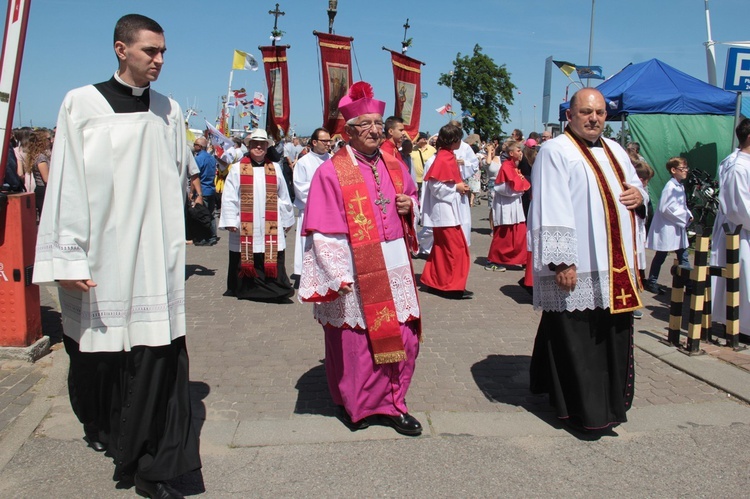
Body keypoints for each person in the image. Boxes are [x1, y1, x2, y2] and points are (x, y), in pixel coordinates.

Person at [32, 14, 201, 498]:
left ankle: (156, 462)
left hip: (154, 256)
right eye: (151, 51)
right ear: (120, 49)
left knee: (159, 354)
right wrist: (68, 260)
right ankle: (111, 433)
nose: (160, 60)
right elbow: (65, 184)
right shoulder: (81, 103)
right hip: (103, 254)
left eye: (164, 51)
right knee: (99, 358)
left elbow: (173, 177)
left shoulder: (169, 110)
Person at [299, 81, 423, 436]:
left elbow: (413, 198)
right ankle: (359, 405)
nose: (374, 130)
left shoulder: (394, 163)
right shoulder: (331, 170)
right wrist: (337, 273)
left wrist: (408, 206)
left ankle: (394, 403)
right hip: (356, 263)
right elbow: (322, 229)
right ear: (350, 131)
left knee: (403, 335)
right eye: (365, 124)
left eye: (378, 123)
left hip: (394, 260)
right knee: (356, 341)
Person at [528, 88, 646, 434]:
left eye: (599, 113)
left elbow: (637, 187)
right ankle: (584, 411)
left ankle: (610, 403)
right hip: (580, 264)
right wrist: (562, 261)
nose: (594, 119)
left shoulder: (616, 150)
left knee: (611, 336)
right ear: (570, 115)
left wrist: (640, 196)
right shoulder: (556, 150)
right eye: (586, 112)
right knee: (578, 338)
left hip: (615, 267)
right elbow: (551, 203)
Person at [219, 128, 295, 302]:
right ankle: (247, 289)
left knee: (270, 251)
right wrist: (231, 220)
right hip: (246, 222)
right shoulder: (237, 169)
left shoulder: (275, 168)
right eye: (255, 144)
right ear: (249, 146)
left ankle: (274, 288)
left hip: (271, 221)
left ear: (267, 148)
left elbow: (284, 196)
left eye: (262, 144)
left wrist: (287, 219)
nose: (259, 147)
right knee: (247, 253)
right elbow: (229, 197)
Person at [420, 123, 473, 299]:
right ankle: (450, 286)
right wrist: (456, 188)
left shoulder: (447, 155)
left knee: (442, 250)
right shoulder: (444, 158)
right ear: (454, 140)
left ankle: (433, 281)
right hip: (445, 213)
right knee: (455, 250)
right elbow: (436, 186)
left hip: (448, 211)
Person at [710, 118, 750, 341]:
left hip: (743, 230)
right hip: (741, 232)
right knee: (743, 280)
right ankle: (741, 328)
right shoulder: (737, 166)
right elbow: (739, 208)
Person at [644, 157, 693, 294]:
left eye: (686, 168)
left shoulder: (679, 186)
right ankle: (652, 281)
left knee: (683, 255)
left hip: (677, 227)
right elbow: (666, 208)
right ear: (673, 170)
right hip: (668, 228)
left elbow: (681, 205)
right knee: (662, 255)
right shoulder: (670, 187)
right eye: (683, 169)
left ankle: (689, 285)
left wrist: (687, 214)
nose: (686, 171)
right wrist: (685, 216)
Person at [292, 127, 331, 279]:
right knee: (309, 245)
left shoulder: (333, 159)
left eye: (329, 141)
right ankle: (308, 275)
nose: (328, 144)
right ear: (314, 142)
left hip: (330, 212)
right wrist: (325, 192)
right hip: (311, 210)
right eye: (325, 141)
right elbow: (301, 189)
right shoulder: (303, 163)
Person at [485, 140, 530, 272]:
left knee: (520, 233)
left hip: (515, 204)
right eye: (518, 150)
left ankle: (523, 260)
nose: (520, 152)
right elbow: (500, 187)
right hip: (506, 205)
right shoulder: (506, 167)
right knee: (504, 235)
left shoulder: (514, 167)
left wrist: (519, 190)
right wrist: (518, 191)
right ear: (511, 153)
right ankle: (493, 260)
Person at [192, 136, 218, 245]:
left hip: (202, 189)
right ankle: (212, 235)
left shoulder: (198, 159)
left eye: (195, 145)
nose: (194, 147)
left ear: (200, 146)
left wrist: (192, 192)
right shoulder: (211, 158)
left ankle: (205, 237)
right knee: (210, 214)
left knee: (202, 214)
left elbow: (195, 176)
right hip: (211, 188)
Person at [410, 131, 435, 199]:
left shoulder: (432, 150)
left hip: (427, 179)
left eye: (418, 138)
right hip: (415, 180)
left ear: (424, 139)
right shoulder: (412, 149)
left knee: (425, 199)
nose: (416, 140)